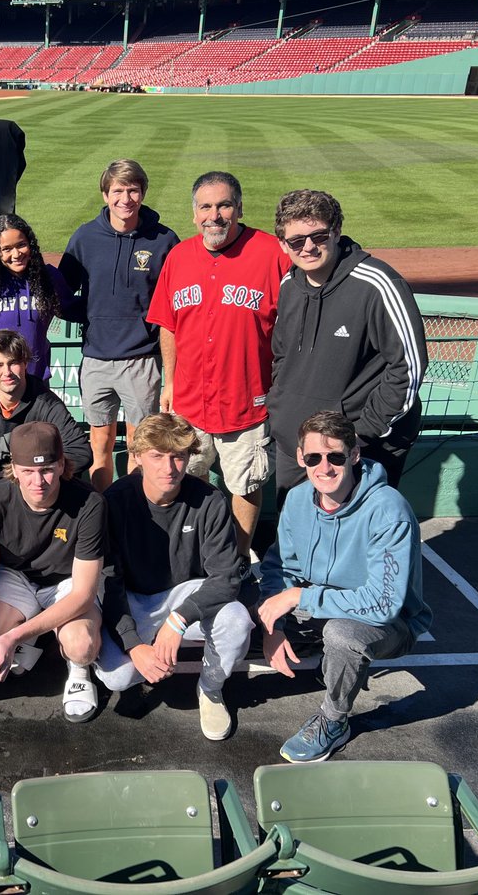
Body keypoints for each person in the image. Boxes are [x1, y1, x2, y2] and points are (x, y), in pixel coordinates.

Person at [258, 410, 431, 762]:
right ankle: (314, 651)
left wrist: (300, 596)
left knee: (342, 635)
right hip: (320, 601)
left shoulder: (388, 511)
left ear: (354, 455)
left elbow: (384, 603)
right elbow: (280, 567)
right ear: (300, 459)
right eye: (313, 458)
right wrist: (271, 626)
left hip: (386, 622)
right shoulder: (297, 499)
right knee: (242, 600)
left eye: (335, 456)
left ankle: (334, 722)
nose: (324, 468)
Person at [146, 171, 291, 562]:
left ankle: (240, 559)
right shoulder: (179, 257)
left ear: (239, 208)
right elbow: (169, 327)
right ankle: (187, 556)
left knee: (244, 484)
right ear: (194, 214)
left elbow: (294, 327)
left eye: (224, 205)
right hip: (190, 403)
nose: (215, 215)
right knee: (183, 481)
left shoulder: (271, 254)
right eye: (206, 207)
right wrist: (170, 383)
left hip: (248, 402)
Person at [93, 413, 254, 740]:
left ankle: (210, 687)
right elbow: (108, 584)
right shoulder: (114, 501)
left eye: (178, 456)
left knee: (237, 621)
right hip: (134, 599)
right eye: (157, 456)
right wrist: (134, 644)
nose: (169, 468)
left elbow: (226, 577)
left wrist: (178, 620)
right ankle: (137, 661)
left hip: (185, 594)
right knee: (117, 677)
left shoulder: (209, 500)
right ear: (136, 457)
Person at [269, 189, 428, 502]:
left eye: (319, 236)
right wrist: (281, 413)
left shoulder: (377, 282)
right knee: (296, 533)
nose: (309, 247)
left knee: (354, 537)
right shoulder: (289, 285)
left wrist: (360, 433)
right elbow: (281, 357)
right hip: (296, 445)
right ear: (283, 244)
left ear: (336, 232)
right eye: (297, 241)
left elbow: (408, 367)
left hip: (354, 449)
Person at [0, 422, 106, 722]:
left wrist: (13, 637)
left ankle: (78, 671)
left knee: (82, 647)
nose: (37, 481)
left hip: (66, 582)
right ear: (14, 468)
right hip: (16, 578)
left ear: (61, 465)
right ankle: (29, 637)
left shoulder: (90, 503)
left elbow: (83, 593)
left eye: (46, 470)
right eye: (28, 471)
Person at [58, 159, 179, 491]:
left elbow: (174, 298)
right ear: (105, 194)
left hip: (142, 359)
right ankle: (103, 507)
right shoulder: (85, 237)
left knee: (140, 444)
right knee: (100, 443)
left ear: (143, 194)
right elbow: (62, 289)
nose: (125, 199)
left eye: (133, 190)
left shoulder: (164, 240)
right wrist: (88, 315)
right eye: (117, 191)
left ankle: (134, 510)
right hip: (96, 358)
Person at [0, 330, 91, 484]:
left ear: (25, 364)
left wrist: (39, 472)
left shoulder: (46, 403)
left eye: (13, 363)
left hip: (38, 488)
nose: (7, 372)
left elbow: (80, 451)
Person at [0, 213, 71, 384]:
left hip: (35, 383)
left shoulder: (48, 278)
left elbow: (74, 309)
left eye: (21, 245)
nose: (16, 254)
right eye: (7, 249)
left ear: (30, 244)